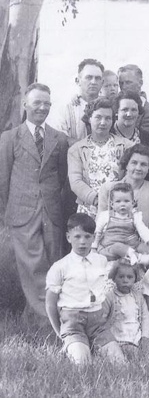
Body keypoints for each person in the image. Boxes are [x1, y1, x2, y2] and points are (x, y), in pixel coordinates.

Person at [0, 83, 70, 319]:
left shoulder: (59, 139)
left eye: (47, 103)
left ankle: (36, 316)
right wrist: (7, 211)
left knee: (53, 261)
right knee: (32, 266)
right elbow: (3, 178)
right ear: (25, 105)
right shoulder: (10, 138)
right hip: (22, 211)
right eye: (37, 102)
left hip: (51, 211)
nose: (42, 107)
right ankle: (48, 321)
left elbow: (61, 178)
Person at [44, 213, 125, 364]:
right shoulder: (60, 267)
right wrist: (61, 334)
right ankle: (73, 346)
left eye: (87, 237)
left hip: (97, 323)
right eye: (77, 237)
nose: (82, 242)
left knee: (119, 362)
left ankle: (93, 345)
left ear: (93, 238)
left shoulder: (101, 261)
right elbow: (50, 304)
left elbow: (106, 293)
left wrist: (105, 321)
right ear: (68, 237)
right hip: (73, 323)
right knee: (82, 363)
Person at [68, 97, 134, 217]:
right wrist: (98, 200)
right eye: (98, 117)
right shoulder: (76, 149)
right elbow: (76, 181)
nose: (103, 122)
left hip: (120, 208)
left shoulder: (127, 146)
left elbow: (131, 176)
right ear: (89, 118)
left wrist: (117, 199)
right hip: (89, 209)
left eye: (108, 118)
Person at [98, 144, 149, 235]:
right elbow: (100, 226)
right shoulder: (107, 189)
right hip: (112, 244)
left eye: (143, 164)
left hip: (146, 245)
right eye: (134, 163)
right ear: (126, 165)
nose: (138, 168)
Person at [93, 182, 149, 265]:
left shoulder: (135, 216)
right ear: (112, 204)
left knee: (146, 249)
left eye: (126, 201)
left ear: (133, 203)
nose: (122, 204)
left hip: (132, 244)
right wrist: (94, 246)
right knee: (118, 246)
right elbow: (97, 232)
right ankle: (138, 257)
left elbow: (142, 229)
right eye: (118, 201)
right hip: (111, 247)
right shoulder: (106, 215)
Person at [104, 261, 149, 358]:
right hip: (120, 337)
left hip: (137, 336)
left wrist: (145, 337)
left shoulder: (138, 297)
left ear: (135, 279)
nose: (125, 280)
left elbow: (145, 318)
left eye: (129, 277)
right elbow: (102, 320)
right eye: (121, 277)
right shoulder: (110, 297)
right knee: (133, 353)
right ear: (114, 278)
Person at [50, 58, 104, 145]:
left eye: (97, 78)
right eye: (89, 77)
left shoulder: (108, 107)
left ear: (102, 82)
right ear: (78, 81)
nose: (93, 82)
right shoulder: (65, 108)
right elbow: (59, 137)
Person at [118, 64, 149, 143]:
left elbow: (146, 142)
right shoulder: (115, 106)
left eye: (128, 83)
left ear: (140, 83)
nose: (124, 87)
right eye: (121, 83)